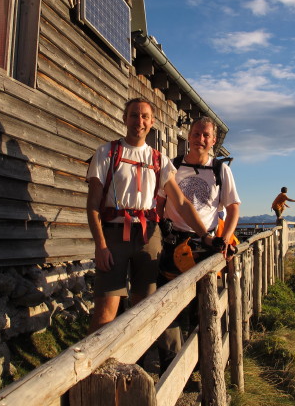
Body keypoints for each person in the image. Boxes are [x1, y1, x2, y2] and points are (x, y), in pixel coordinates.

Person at [86, 98, 214, 333]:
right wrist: (100, 246)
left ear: (152, 122)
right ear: (124, 118)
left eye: (145, 116)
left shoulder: (159, 160)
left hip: (148, 235)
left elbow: (182, 202)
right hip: (113, 235)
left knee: (144, 308)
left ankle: (136, 364)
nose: (139, 121)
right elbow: (93, 204)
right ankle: (91, 369)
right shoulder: (106, 152)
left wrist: (205, 235)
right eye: (134, 115)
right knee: (105, 311)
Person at [155, 116, 241, 371]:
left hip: (207, 245)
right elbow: (160, 203)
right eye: (196, 134)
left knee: (203, 307)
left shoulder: (220, 170)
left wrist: (225, 238)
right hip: (174, 241)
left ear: (213, 140)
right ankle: (170, 366)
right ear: (189, 135)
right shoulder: (172, 167)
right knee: (168, 304)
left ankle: (202, 364)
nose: (200, 139)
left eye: (206, 135)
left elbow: (233, 207)